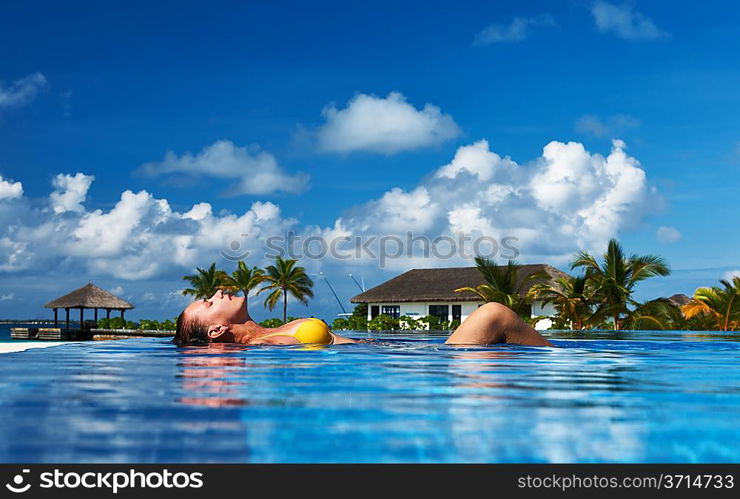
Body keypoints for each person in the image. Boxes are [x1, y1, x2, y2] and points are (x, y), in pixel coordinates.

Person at [174, 290, 552, 347]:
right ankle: (560, 356)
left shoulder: (266, 336)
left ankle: (555, 355)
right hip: (427, 366)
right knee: (493, 313)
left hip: (406, 356)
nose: (218, 293)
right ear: (218, 329)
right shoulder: (266, 344)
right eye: (208, 302)